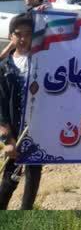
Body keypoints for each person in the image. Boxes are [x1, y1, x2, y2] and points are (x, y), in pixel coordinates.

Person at [0, 15, 42, 210]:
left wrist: (45, 11)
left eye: (28, 34)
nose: (24, 39)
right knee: (9, 181)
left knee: (32, 181)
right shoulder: (4, 68)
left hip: (37, 132)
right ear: (11, 36)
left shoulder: (43, 61)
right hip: (15, 134)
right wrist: (7, 140)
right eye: (19, 34)